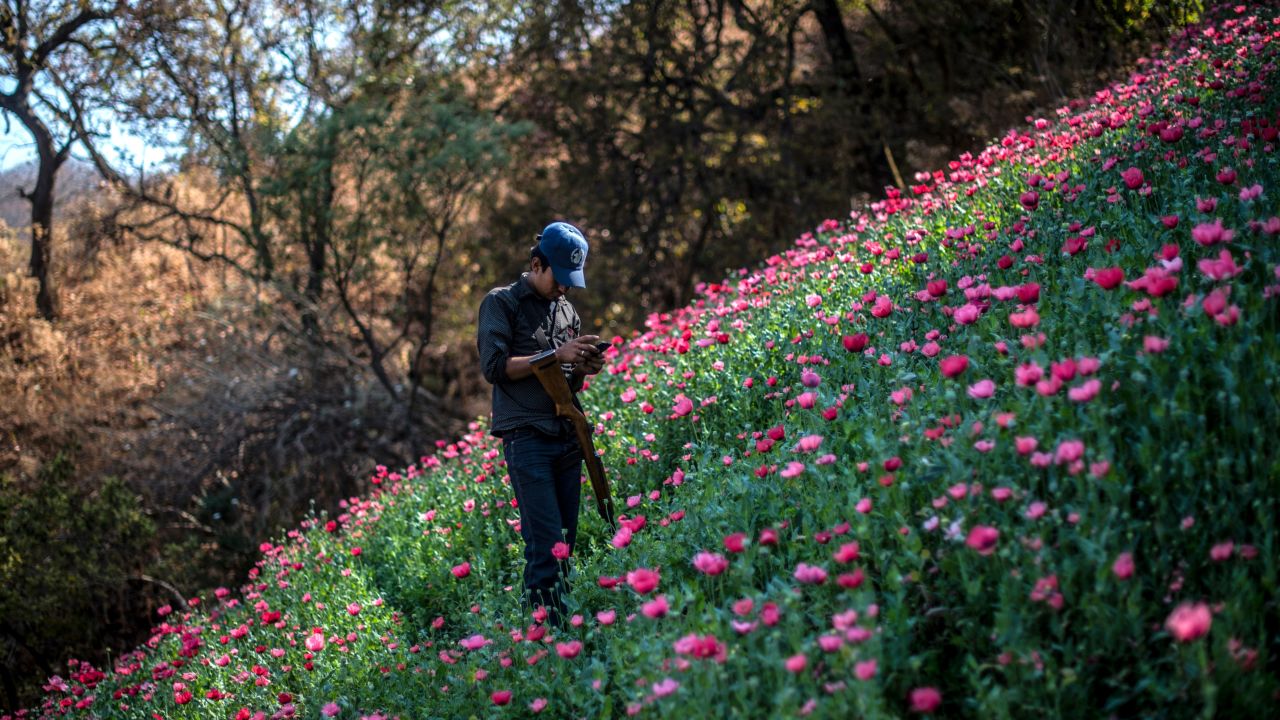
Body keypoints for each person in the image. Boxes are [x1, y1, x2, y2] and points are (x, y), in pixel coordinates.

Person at [476, 221, 604, 626]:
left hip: (566, 436)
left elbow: (568, 381)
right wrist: (555, 355)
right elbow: (494, 367)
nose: (564, 288)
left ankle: (561, 629)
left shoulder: (567, 311)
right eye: (559, 279)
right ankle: (545, 638)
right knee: (545, 546)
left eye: (571, 280)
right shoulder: (502, 303)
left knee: (566, 544)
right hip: (526, 438)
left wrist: (584, 366)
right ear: (536, 263)